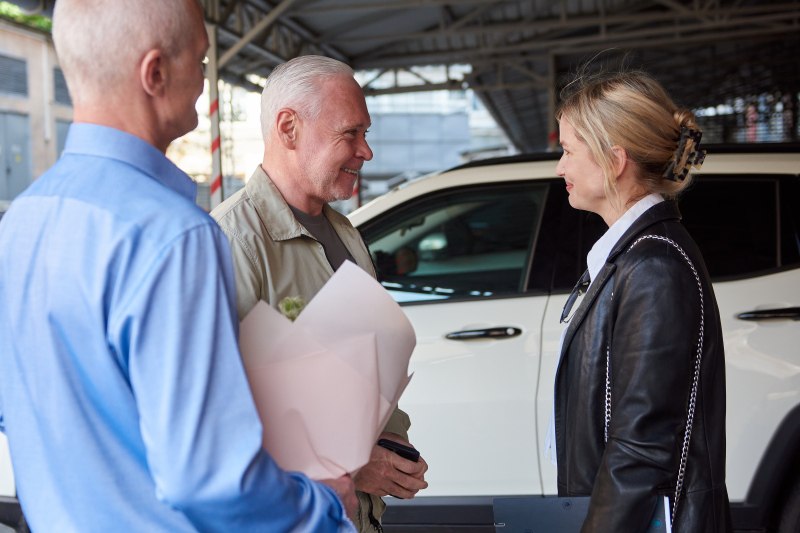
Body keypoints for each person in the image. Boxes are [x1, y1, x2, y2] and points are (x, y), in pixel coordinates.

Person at [0, 1, 357, 531]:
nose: (204, 80)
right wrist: (325, 508)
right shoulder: (173, 235)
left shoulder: (22, 222)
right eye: (200, 61)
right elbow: (210, 480)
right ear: (156, 73)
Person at [211, 55, 429, 532]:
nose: (366, 151)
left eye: (365, 133)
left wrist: (389, 445)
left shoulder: (344, 231)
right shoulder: (232, 242)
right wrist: (353, 462)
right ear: (288, 128)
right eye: (350, 133)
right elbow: (224, 416)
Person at [552, 70, 733, 532]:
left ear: (615, 161)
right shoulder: (635, 255)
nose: (560, 168)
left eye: (569, 151)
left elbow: (640, 447)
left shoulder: (653, 267)